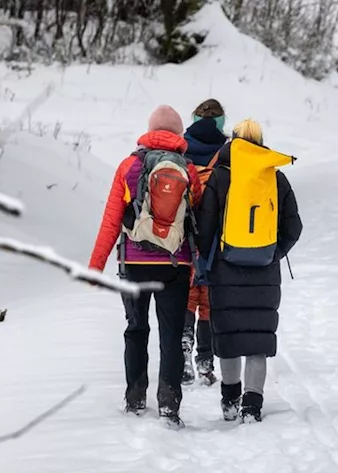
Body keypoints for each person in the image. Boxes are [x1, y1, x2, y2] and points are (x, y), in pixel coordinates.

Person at [89, 105, 204, 426]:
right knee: (171, 333)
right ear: (179, 134)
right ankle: (169, 404)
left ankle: (135, 397)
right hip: (175, 264)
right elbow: (194, 218)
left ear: (150, 130)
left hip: (134, 263)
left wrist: (95, 266)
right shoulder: (189, 170)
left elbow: (112, 219)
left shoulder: (129, 166)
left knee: (136, 329)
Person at [195, 118, 302, 423]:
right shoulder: (276, 178)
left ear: (234, 141)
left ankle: (230, 399)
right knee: (258, 336)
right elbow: (294, 227)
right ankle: (252, 404)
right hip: (264, 271)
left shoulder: (220, 177)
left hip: (225, 269)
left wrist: (210, 259)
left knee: (230, 333)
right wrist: (273, 254)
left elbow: (205, 226)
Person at [181, 98, 229, 386]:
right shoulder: (227, 152)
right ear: (222, 121)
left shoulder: (181, 146)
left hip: (185, 232)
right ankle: (206, 362)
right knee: (209, 300)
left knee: (187, 294)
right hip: (217, 235)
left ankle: (183, 349)